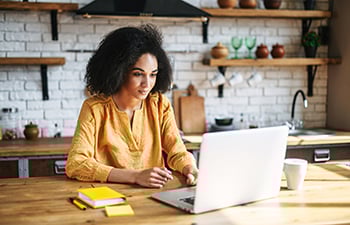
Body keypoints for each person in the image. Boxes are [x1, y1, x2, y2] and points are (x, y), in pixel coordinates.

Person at [65, 24, 198, 188]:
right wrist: (135, 176)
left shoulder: (159, 104)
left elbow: (177, 152)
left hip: (154, 196)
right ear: (118, 71)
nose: (147, 84)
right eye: (138, 74)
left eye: (153, 74)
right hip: (109, 198)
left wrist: (189, 167)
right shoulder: (94, 108)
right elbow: (76, 164)